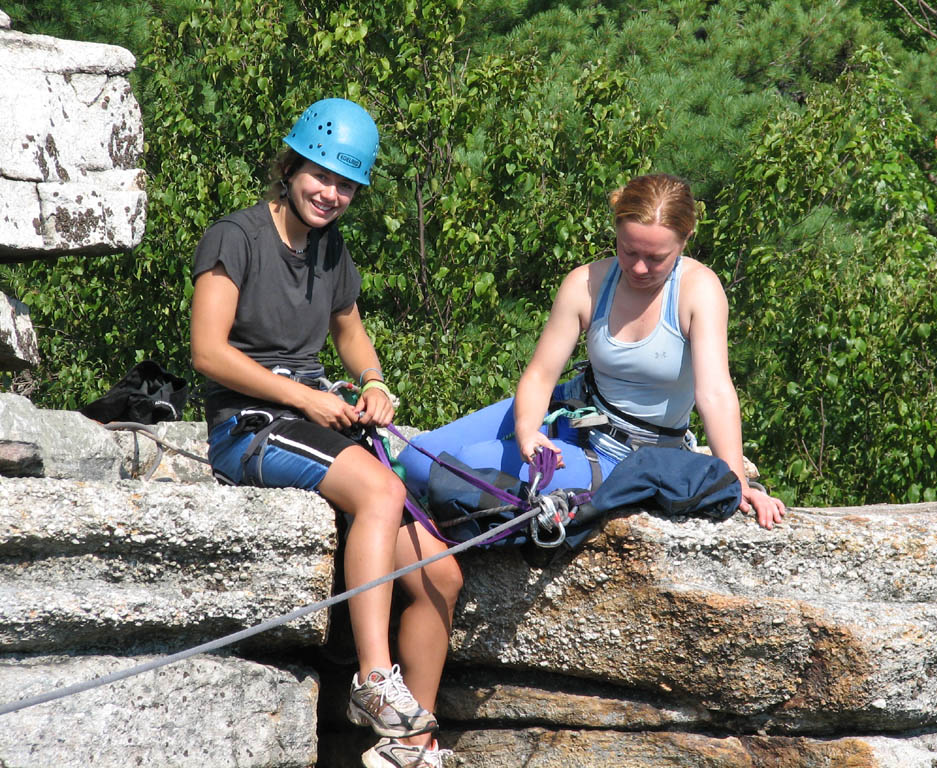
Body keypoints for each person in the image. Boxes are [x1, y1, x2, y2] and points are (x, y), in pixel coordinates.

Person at [190, 98, 460, 768]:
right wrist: (301, 396)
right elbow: (208, 352)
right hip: (249, 424)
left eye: (346, 185)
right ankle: (373, 682)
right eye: (322, 176)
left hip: (313, 414)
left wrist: (372, 382)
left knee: (440, 575)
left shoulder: (330, 250)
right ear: (292, 166)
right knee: (378, 492)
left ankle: (411, 747)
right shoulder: (237, 238)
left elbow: (350, 330)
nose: (332, 194)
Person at [400, 172, 786, 529]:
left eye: (656, 258)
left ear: (685, 239)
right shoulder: (587, 283)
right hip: (571, 413)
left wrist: (734, 480)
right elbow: (540, 373)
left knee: (463, 468)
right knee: (417, 460)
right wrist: (527, 431)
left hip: (624, 455)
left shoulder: (697, 290)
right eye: (628, 250)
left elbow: (715, 392)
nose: (638, 268)